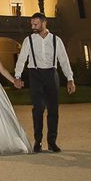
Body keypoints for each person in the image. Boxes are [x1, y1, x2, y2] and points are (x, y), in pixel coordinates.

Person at [13, 12, 76, 153]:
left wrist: (70, 79)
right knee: (38, 108)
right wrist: (17, 76)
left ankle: (52, 142)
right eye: (31, 24)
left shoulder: (56, 40)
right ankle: (38, 141)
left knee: (53, 109)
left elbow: (64, 60)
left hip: (51, 74)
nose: (33, 26)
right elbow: (22, 58)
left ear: (44, 23)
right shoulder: (28, 40)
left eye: (35, 23)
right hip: (35, 75)